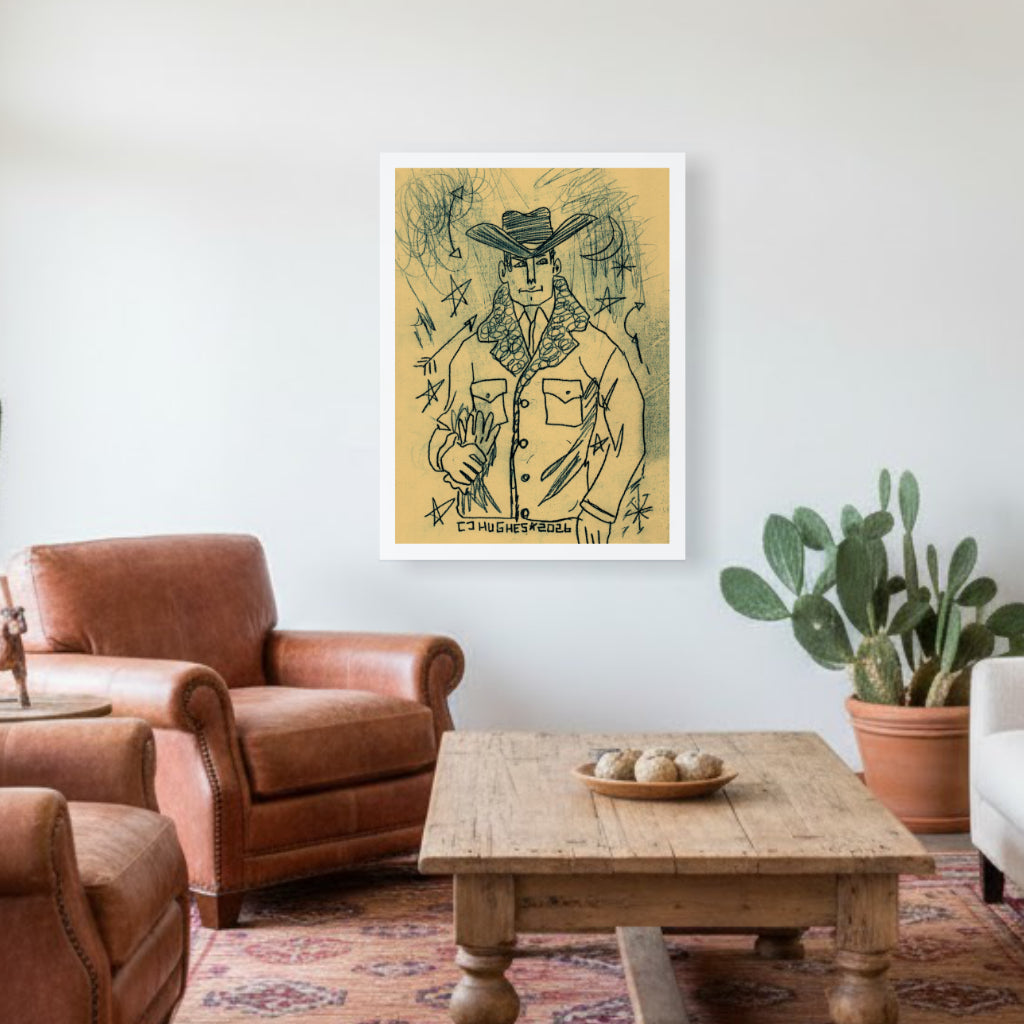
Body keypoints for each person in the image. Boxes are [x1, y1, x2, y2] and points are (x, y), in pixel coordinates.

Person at [428, 207, 645, 543]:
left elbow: (630, 425)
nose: (531, 277)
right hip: (484, 531)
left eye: (540, 262)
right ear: (504, 271)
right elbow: (443, 431)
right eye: (518, 264)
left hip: (564, 526)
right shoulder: (473, 352)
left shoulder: (592, 347)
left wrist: (601, 506)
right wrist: (448, 456)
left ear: (555, 266)